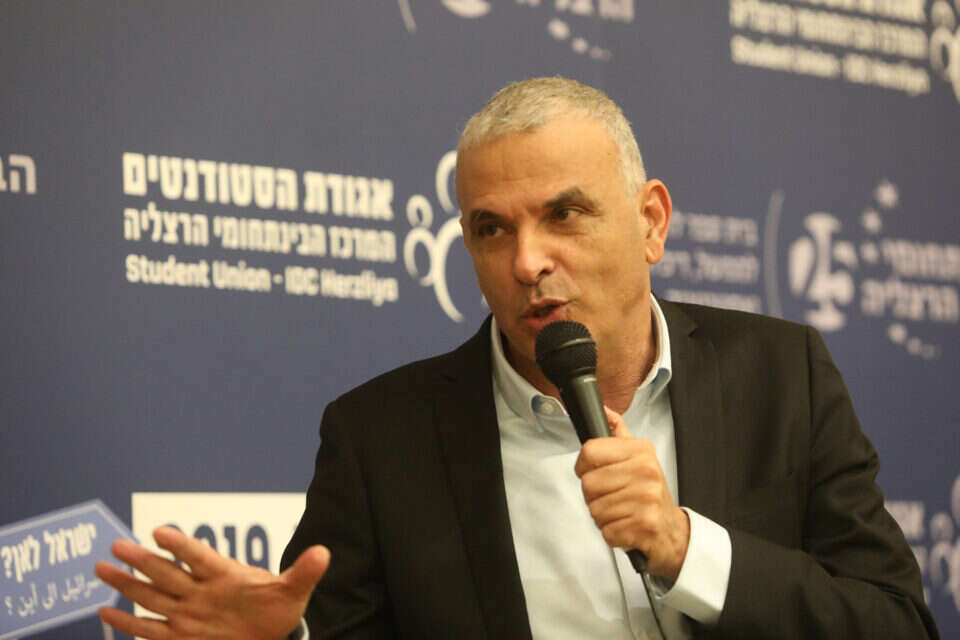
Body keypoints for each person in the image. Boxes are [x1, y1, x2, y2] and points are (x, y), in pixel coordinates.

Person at [96, 77, 939, 639]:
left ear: (650, 222)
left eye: (564, 215)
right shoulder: (379, 439)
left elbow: (896, 622)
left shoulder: (782, 375)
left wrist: (686, 548)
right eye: (491, 229)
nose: (527, 261)